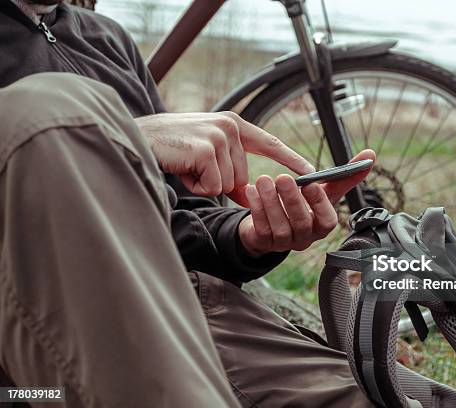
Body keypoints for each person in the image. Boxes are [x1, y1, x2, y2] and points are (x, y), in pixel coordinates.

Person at [0, 1, 376, 407]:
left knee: (395, 398)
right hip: (35, 357)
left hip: (184, 306)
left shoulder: (104, 39)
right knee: (44, 108)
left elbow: (178, 219)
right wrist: (124, 135)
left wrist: (246, 235)